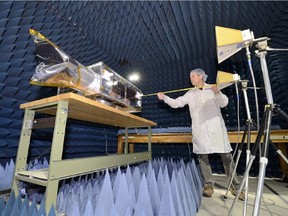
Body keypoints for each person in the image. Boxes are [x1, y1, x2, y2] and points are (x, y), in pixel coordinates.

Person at [157, 68, 244, 199]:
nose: (191, 79)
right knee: (203, 158)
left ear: (201, 76)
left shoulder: (213, 88)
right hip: (200, 129)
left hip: (217, 129)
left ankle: (235, 187)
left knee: (227, 157)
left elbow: (224, 103)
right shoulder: (190, 93)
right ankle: (208, 185)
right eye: (190, 77)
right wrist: (165, 98)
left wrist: (218, 93)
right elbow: (177, 103)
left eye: (193, 76)